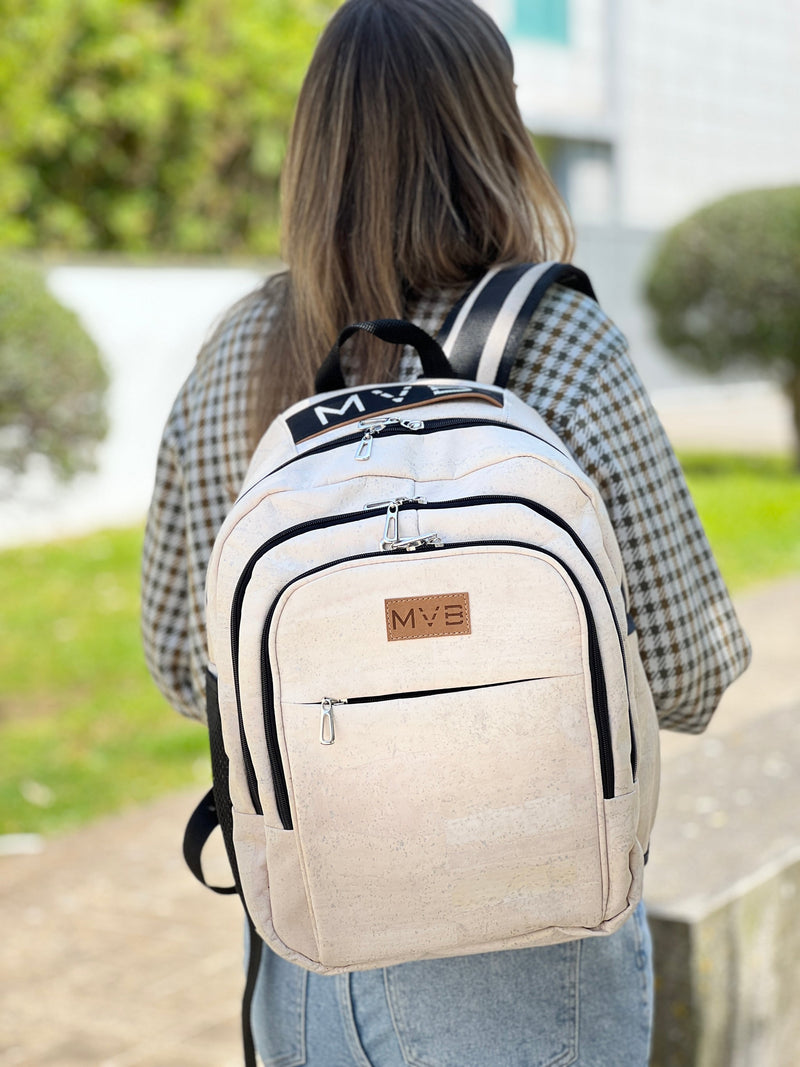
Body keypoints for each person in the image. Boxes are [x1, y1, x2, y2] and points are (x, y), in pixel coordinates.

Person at [141, 1, 751, 1063]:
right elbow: (687, 672)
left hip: (306, 951)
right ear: (492, 134)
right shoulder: (559, 342)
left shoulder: (236, 352)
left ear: (315, 147)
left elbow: (182, 664)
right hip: (532, 959)